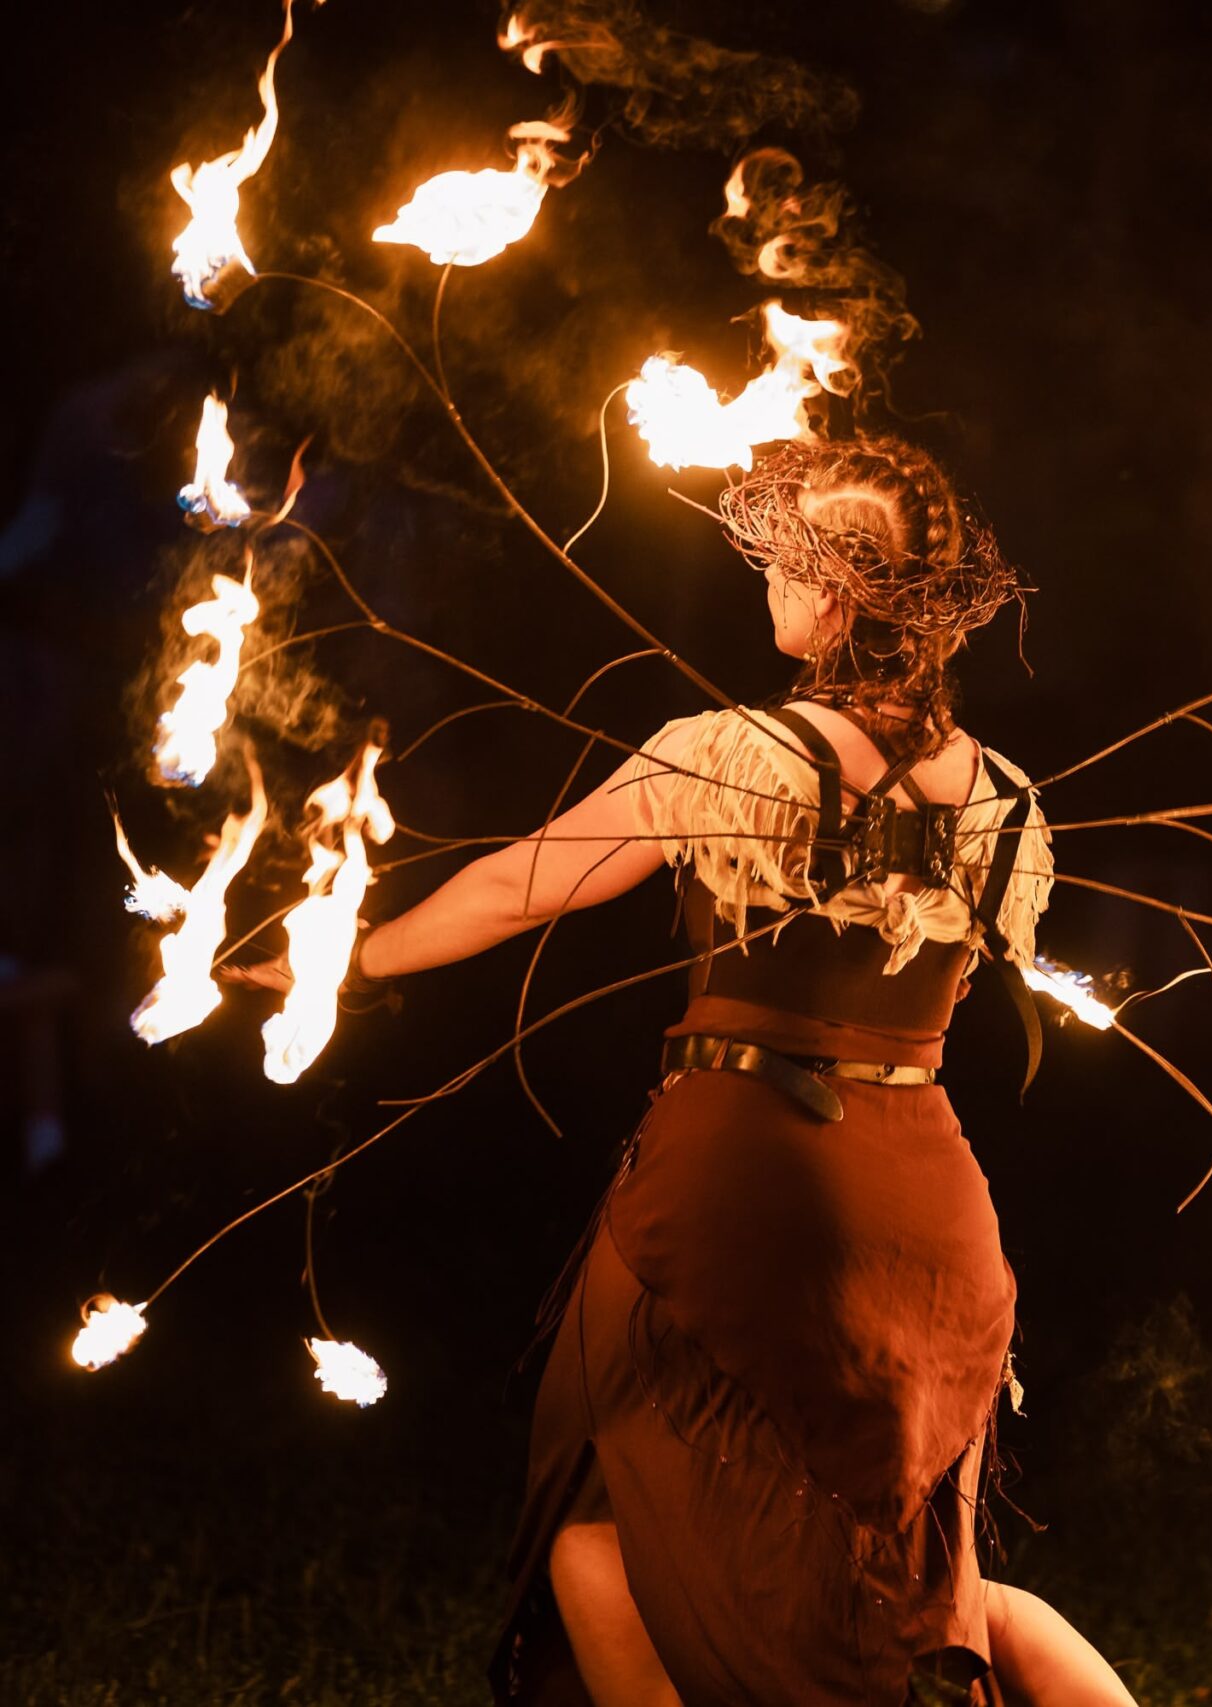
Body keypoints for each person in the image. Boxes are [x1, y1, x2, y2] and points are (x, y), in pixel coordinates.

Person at [228, 432, 1135, 1706]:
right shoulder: (1008, 799)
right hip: (933, 1220)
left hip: (741, 1197)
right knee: (919, 1587)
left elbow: (515, 887)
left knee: (600, 1525)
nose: (761, 583)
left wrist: (344, 962)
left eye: (779, 562)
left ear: (832, 594)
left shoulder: (727, 754)